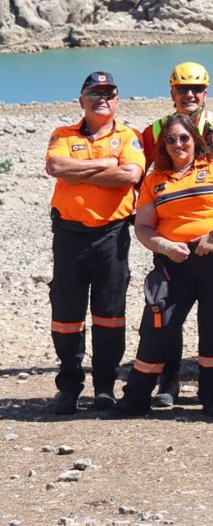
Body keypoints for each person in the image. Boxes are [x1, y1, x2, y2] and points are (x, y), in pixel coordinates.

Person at [117, 113, 213, 417]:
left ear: (195, 139)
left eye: (183, 138)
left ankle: (212, 395)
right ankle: (136, 398)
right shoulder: (155, 179)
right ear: (163, 145)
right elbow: (143, 226)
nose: (177, 144)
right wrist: (163, 246)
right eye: (170, 140)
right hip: (174, 261)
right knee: (157, 327)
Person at [140, 61, 213, 407]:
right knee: (167, 315)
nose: (190, 95)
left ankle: (212, 387)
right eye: (182, 88)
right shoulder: (154, 129)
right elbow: (141, 172)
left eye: (197, 89)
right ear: (171, 91)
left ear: (207, 91)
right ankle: (167, 383)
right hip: (171, 238)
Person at [44, 71, 146, 415]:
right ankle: (69, 387)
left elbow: (131, 175)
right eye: (94, 93)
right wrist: (105, 164)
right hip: (69, 236)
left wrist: (81, 170)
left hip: (111, 237)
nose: (102, 98)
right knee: (66, 316)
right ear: (81, 100)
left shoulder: (128, 136)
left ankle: (104, 387)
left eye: (109, 93)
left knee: (110, 316)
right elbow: (56, 166)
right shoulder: (63, 134)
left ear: (117, 100)